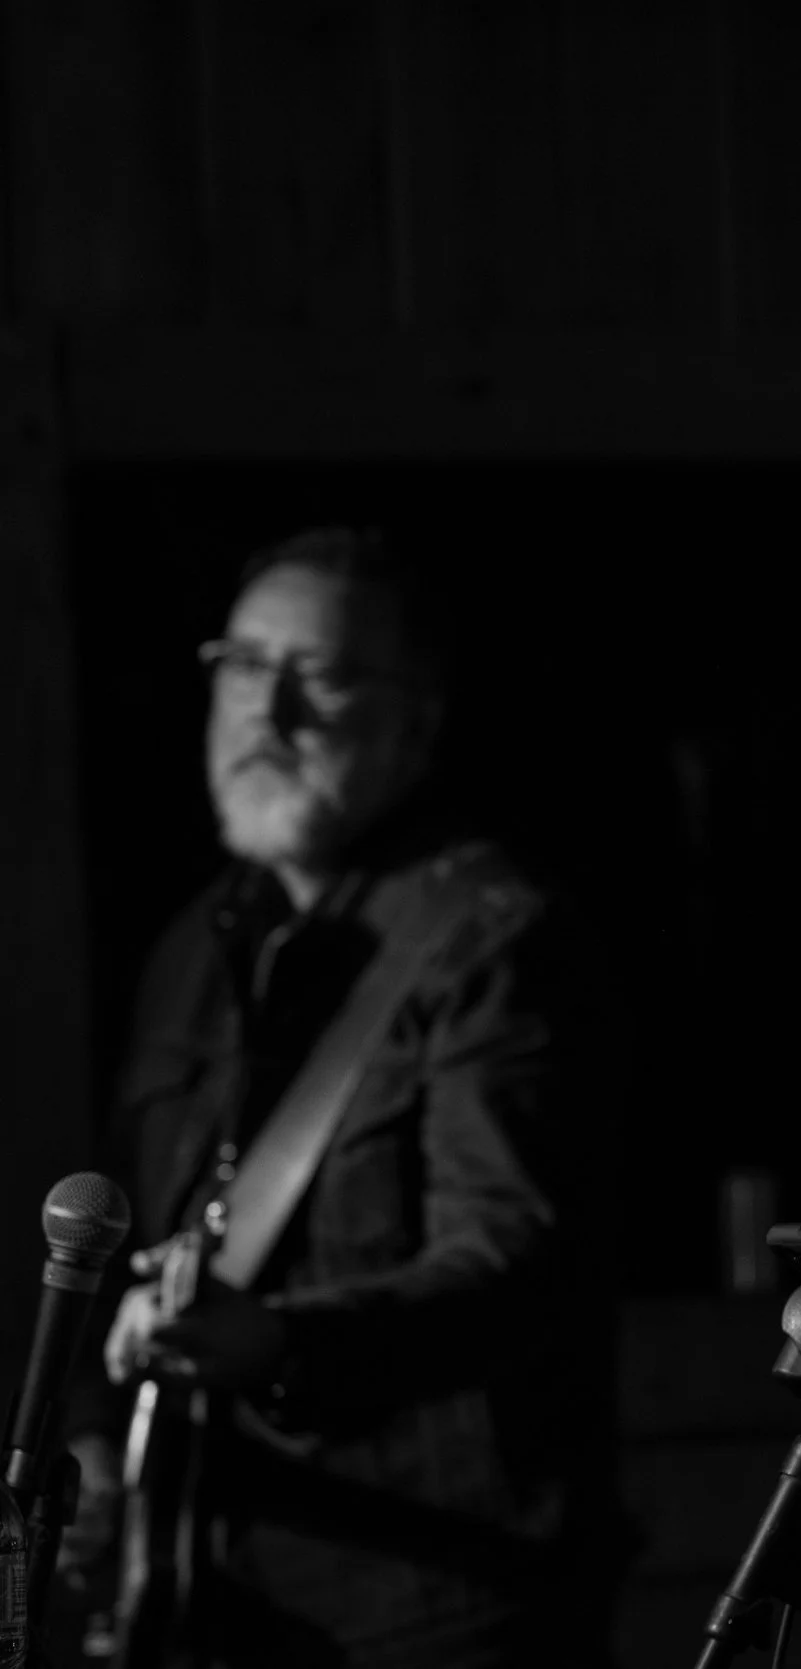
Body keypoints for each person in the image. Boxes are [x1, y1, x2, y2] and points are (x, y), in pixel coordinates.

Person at [66, 528, 616, 1668]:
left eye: (317, 675)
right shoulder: (191, 948)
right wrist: (93, 1443)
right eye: (242, 665)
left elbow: (516, 1260)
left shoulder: (491, 936)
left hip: (437, 1603)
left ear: (416, 723)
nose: (265, 713)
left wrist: (280, 1341)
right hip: (205, 1592)